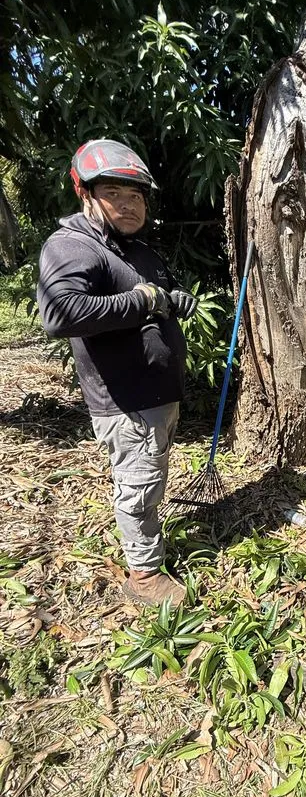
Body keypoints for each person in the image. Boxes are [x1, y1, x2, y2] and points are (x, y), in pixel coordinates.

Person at [37, 139, 198, 606]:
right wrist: (143, 300)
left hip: (154, 397)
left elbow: (162, 293)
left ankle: (144, 548)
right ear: (85, 194)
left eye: (137, 195)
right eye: (114, 193)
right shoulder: (71, 246)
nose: (129, 204)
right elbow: (61, 312)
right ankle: (144, 576)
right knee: (139, 484)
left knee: (148, 474)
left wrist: (174, 298)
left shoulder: (136, 251)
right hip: (126, 402)